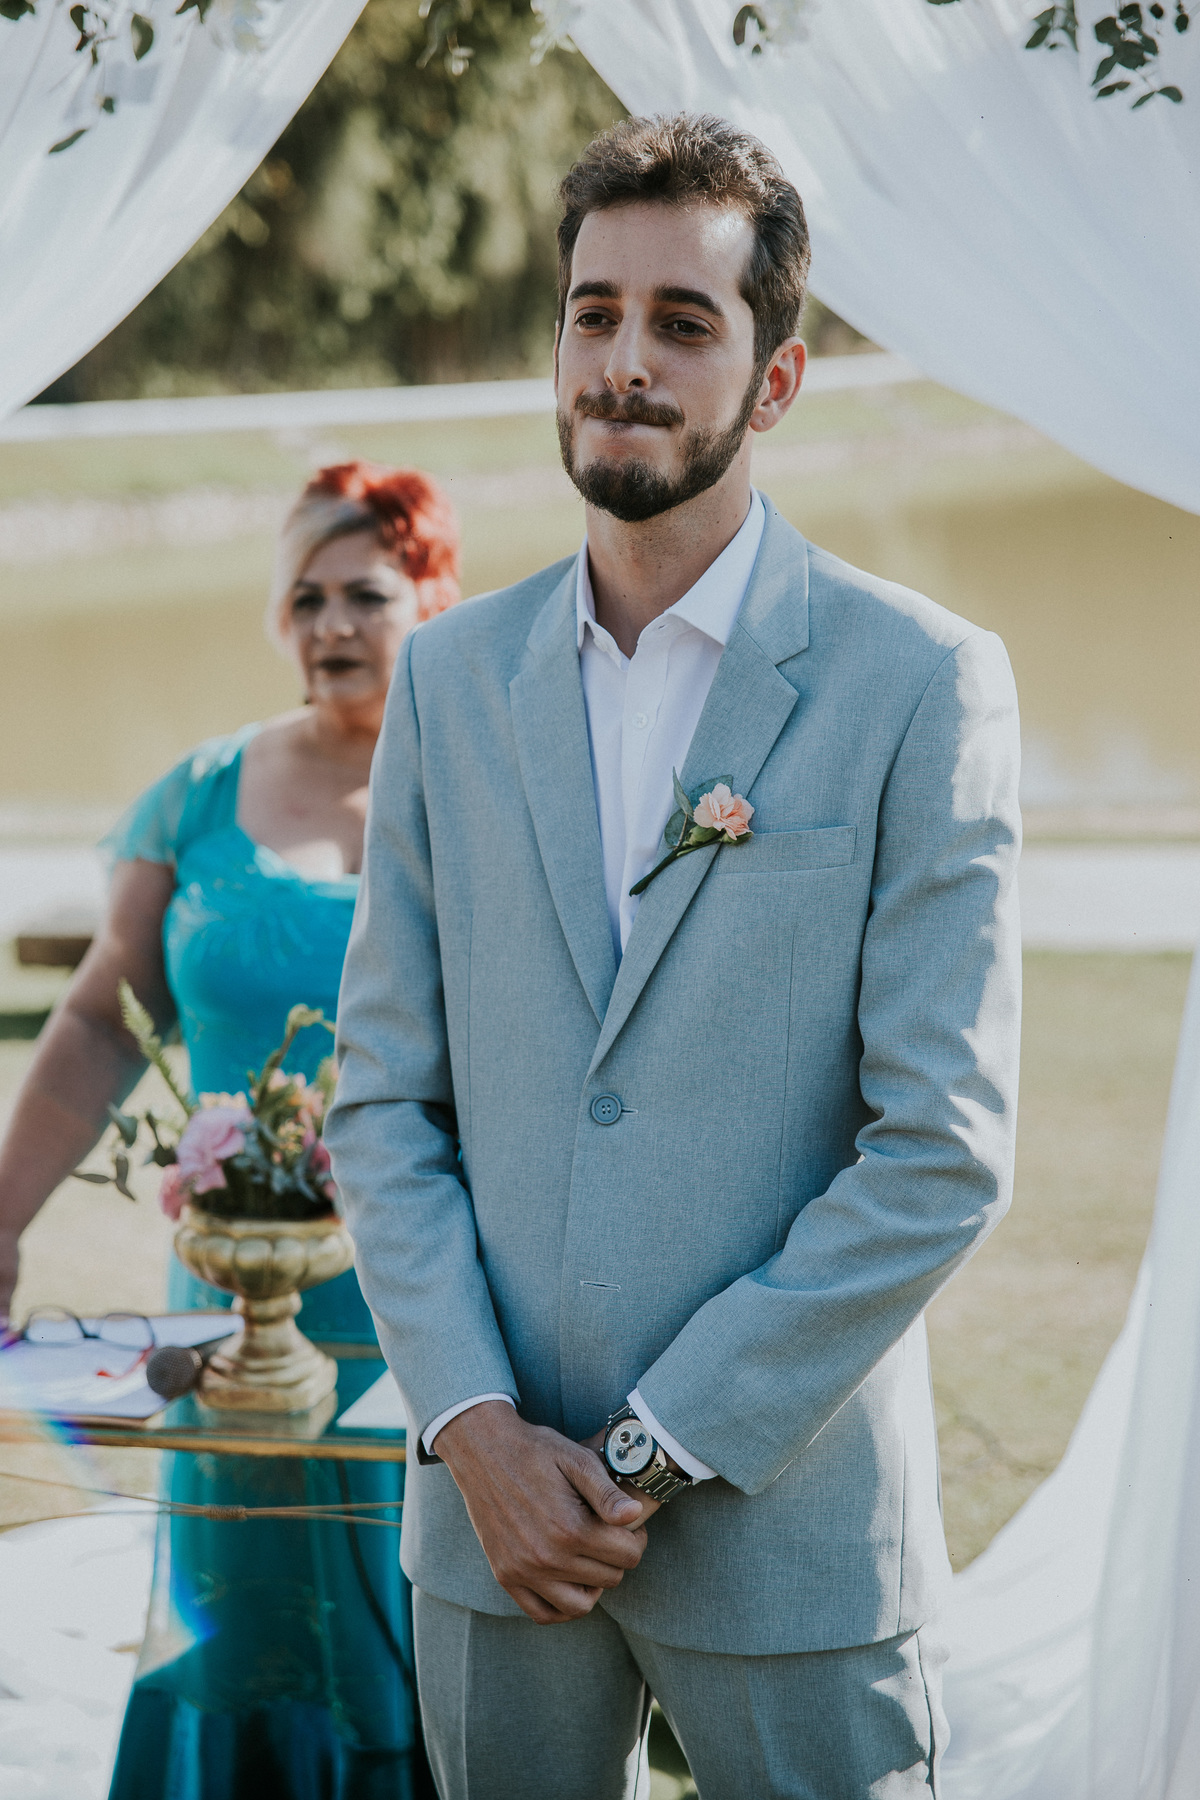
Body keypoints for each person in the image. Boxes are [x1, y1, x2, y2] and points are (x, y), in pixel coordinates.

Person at [326, 114, 1021, 1799]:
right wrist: (478, 1435)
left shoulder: (919, 683)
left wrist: (644, 1453)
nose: (622, 364)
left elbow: (941, 1149)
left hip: (791, 1546)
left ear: (774, 382)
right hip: (491, 1544)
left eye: (683, 324)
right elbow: (381, 1107)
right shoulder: (447, 682)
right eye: (591, 313)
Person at [0, 460, 457, 1800]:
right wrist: (4, 1219)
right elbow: (95, 1023)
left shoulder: (487, 790)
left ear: (433, 594)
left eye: (365, 593)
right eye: (303, 596)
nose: (331, 626)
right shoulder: (197, 796)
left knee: (411, 1612)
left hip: (425, 1289)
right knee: (235, 1606)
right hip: (226, 1299)